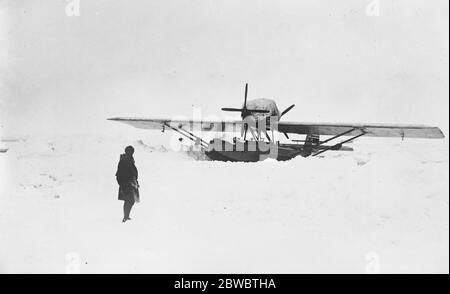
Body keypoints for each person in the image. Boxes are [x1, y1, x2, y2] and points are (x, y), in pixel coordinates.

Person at [115, 145, 140, 223]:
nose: (131, 153)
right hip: (126, 184)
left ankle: (126, 216)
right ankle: (125, 217)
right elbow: (118, 174)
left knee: (130, 200)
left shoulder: (130, 159)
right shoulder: (124, 160)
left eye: (132, 152)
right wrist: (122, 184)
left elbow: (132, 172)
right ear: (127, 152)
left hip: (131, 183)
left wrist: (136, 181)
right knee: (129, 200)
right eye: (130, 152)